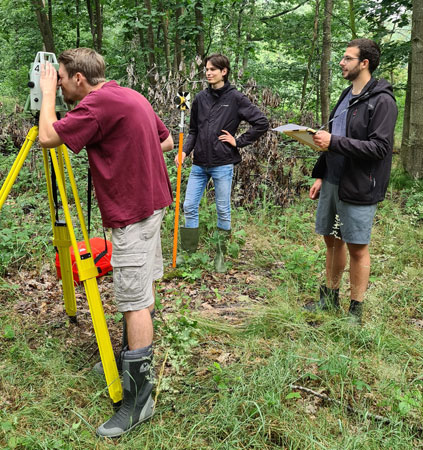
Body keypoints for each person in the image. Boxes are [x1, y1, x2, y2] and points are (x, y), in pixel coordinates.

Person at [38, 48, 174, 438]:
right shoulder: (129, 95)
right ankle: (127, 360)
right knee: (141, 291)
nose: (60, 84)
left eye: (61, 78)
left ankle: (139, 400)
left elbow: (49, 136)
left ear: (79, 78)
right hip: (152, 205)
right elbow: (164, 142)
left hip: (133, 212)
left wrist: (46, 95)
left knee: (132, 303)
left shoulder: (96, 105)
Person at [305, 39, 397, 324]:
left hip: (359, 183)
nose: (342, 63)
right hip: (333, 179)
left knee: (357, 246)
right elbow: (334, 137)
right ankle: (329, 298)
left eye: (347, 58)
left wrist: (335, 141)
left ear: (364, 63)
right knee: (331, 240)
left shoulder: (382, 101)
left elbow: (380, 148)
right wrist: (321, 174)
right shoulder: (347, 95)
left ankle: (355, 311)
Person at [175, 53, 269, 272]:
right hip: (199, 164)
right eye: (206, 69)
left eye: (213, 70)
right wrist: (185, 151)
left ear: (224, 71)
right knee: (189, 206)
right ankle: (189, 255)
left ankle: (220, 256)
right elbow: (193, 131)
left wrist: (238, 141)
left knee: (223, 210)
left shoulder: (235, 98)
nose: (208, 73)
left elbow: (261, 122)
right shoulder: (200, 98)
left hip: (223, 163)